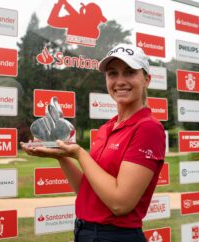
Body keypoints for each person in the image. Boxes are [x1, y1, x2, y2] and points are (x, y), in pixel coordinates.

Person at [21, 43, 166, 242]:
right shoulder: (107, 128)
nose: (120, 81)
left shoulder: (148, 128)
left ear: (146, 79)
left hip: (116, 236)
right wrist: (61, 156)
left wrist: (79, 153)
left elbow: (120, 203)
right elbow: (87, 190)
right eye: (112, 73)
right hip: (84, 232)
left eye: (130, 72)